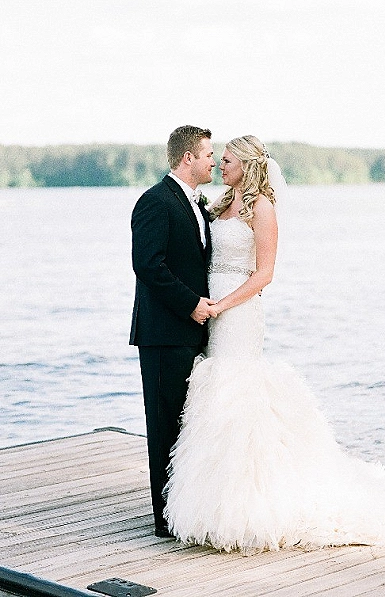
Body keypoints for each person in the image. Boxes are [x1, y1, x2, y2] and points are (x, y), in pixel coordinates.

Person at [164, 135, 385, 552]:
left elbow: (264, 274)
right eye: (219, 159)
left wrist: (223, 305)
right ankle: (216, 500)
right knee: (217, 393)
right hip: (209, 309)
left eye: (227, 160)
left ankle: (249, 504)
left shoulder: (263, 208)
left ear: (246, 164)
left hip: (237, 313)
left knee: (237, 387)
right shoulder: (219, 203)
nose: (220, 165)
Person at [130, 125, 217, 538]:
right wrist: (191, 304)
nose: (213, 161)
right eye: (208, 154)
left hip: (193, 332)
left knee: (190, 423)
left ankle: (187, 507)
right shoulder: (155, 201)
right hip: (164, 333)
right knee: (165, 425)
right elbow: (148, 265)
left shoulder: (197, 204)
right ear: (188, 158)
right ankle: (166, 519)